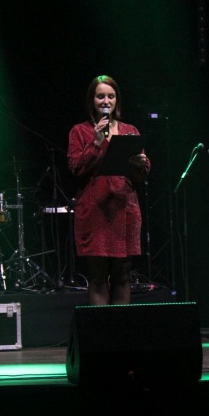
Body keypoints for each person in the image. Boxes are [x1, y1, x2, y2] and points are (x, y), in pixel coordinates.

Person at [67, 75, 151, 305]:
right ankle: (101, 326)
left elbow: (141, 175)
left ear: (117, 100)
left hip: (125, 208)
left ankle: (120, 327)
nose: (106, 101)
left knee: (122, 275)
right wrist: (96, 142)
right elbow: (76, 167)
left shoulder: (129, 130)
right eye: (100, 96)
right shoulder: (79, 131)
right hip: (95, 211)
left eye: (111, 96)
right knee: (98, 277)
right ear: (92, 100)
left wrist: (141, 163)